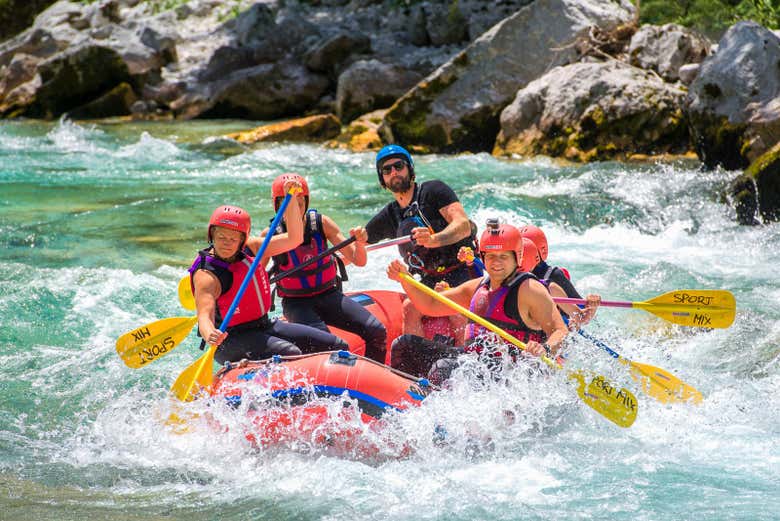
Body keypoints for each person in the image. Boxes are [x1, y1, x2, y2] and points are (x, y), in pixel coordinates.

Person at [387, 222, 586, 385]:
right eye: (490, 256)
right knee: (404, 346)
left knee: (443, 368)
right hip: (472, 359)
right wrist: (405, 279)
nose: (496, 262)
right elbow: (430, 305)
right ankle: (407, 401)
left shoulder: (530, 290)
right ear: (482, 257)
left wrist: (545, 349)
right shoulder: (477, 287)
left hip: (508, 371)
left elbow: (560, 330)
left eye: (503, 256)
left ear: (517, 257)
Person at [190, 194, 349, 366]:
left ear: (242, 240)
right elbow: (204, 316)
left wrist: (292, 199)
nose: (226, 243)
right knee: (291, 353)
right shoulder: (206, 275)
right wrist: (210, 334)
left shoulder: (252, 248)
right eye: (221, 237)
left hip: (264, 326)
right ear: (212, 235)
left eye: (233, 239)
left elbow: (294, 239)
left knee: (336, 345)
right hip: (230, 340)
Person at [262, 173, 387, 364]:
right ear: (276, 206)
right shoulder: (270, 236)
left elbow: (359, 260)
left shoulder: (321, 223)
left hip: (329, 295)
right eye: (288, 204)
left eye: (299, 203)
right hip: (297, 304)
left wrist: (360, 242)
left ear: (307, 202)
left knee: (376, 331)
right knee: (334, 347)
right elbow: (252, 277)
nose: (294, 210)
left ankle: (374, 373)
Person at [366, 144, 478, 341]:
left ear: (410, 169)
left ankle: (465, 354)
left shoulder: (433, 191)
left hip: (462, 269)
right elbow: (358, 246)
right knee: (410, 308)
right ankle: (415, 356)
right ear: (382, 179)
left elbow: (463, 225)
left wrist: (434, 240)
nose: (394, 172)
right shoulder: (391, 215)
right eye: (387, 170)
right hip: (430, 278)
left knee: (453, 304)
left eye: (399, 166)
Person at [519, 224, 600, 328]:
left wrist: (592, 306)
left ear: (539, 253)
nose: (521, 259)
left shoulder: (553, 278)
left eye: (527, 251)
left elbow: (582, 317)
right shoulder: (509, 275)